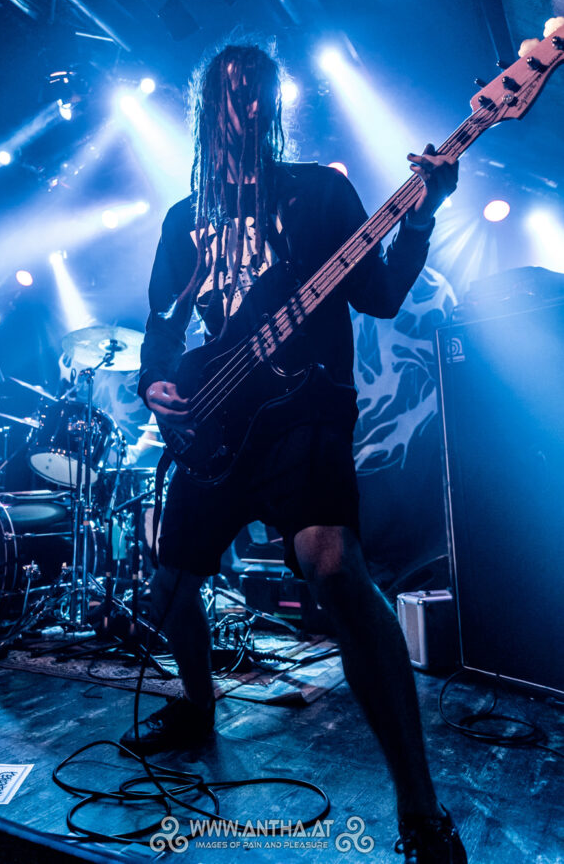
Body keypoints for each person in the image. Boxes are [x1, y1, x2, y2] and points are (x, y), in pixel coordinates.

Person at [120, 43, 465, 863]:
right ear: (206, 108)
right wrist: (154, 383)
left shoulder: (319, 193)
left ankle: (421, 811)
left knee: (335, 567)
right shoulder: (183, 219)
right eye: (232, 94)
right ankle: (198, 705)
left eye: (259, 96)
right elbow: (162, 328)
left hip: (304, 410)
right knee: (169, 588)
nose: (246, 109)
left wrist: (420, 218)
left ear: (275, 108)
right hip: (213, 422)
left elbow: (380, 296)